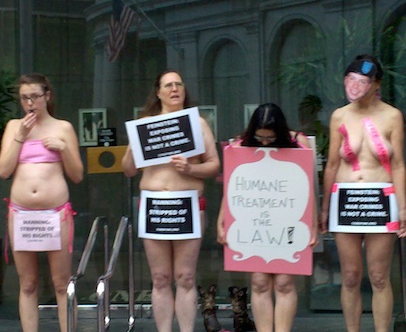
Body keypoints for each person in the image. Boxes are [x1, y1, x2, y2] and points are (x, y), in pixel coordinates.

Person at [121, 70, 220, 332]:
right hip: (154, 205)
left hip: (187, 204)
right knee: (160, 277)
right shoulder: (146, 124)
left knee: (185, 277)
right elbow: (129, 170)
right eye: (168, 85)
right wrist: (132, 145)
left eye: (179, 84)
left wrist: (190, 169)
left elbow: (214, 165)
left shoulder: (197, 123)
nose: (174, 89)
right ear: (158, 92)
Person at [319, 55, 406, 332]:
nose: (356, 86)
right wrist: (324, 208)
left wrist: (403, 208)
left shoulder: (392, 115)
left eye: (363, 81)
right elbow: (332, 163)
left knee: (379, 276)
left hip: (380, 198)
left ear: (376, 83)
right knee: (351, 275)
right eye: (351, 80)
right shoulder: (340, 116)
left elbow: (398, 164)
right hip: (346, 199)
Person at [216, 102, 317, 332]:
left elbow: (307, 189)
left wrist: (312, 227)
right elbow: (233, 189)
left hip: (287, 219)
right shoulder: (240, 146)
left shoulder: (297, 144)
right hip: (255, 221)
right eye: (259, 137)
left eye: (270, 139)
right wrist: (222, 220)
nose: (263, 142)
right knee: (259, 281)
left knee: (284, 282)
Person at [0, 73, 83, 332]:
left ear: (47, 96)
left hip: (55, 212)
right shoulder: (14, 126)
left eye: (35, 96)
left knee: (60, 282)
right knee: (28, 283)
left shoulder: (63, 127)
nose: (30, 103)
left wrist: (63, 148)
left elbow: (77, 175)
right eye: (24, 98)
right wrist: (20, 137)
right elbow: (3, 170)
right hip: (22, 213)